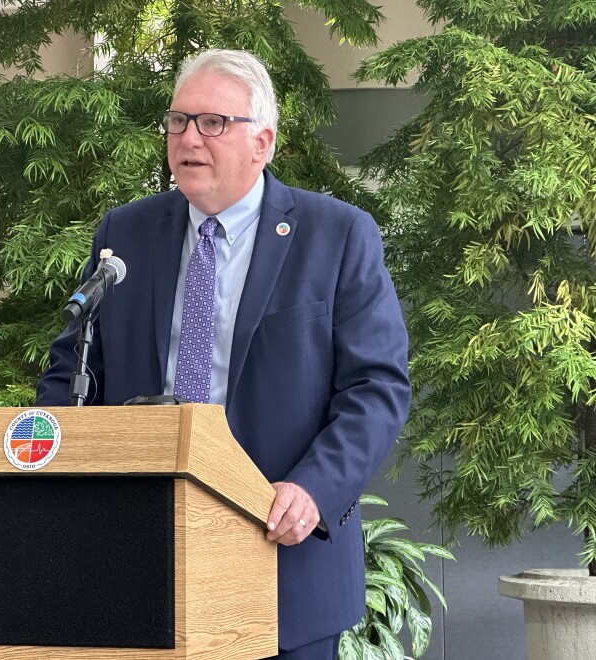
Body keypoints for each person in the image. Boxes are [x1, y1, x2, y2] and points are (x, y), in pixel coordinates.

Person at [36, 49, 410, 660]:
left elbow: (377, 386)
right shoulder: (125, 233)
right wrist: (56, 475)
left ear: (262, 142)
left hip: (281, 554)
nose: (188, 138)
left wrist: (314, 489)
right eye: (178, 121)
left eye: (212, 123)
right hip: (142, 557)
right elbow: (72, 372)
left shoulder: (336, 234)